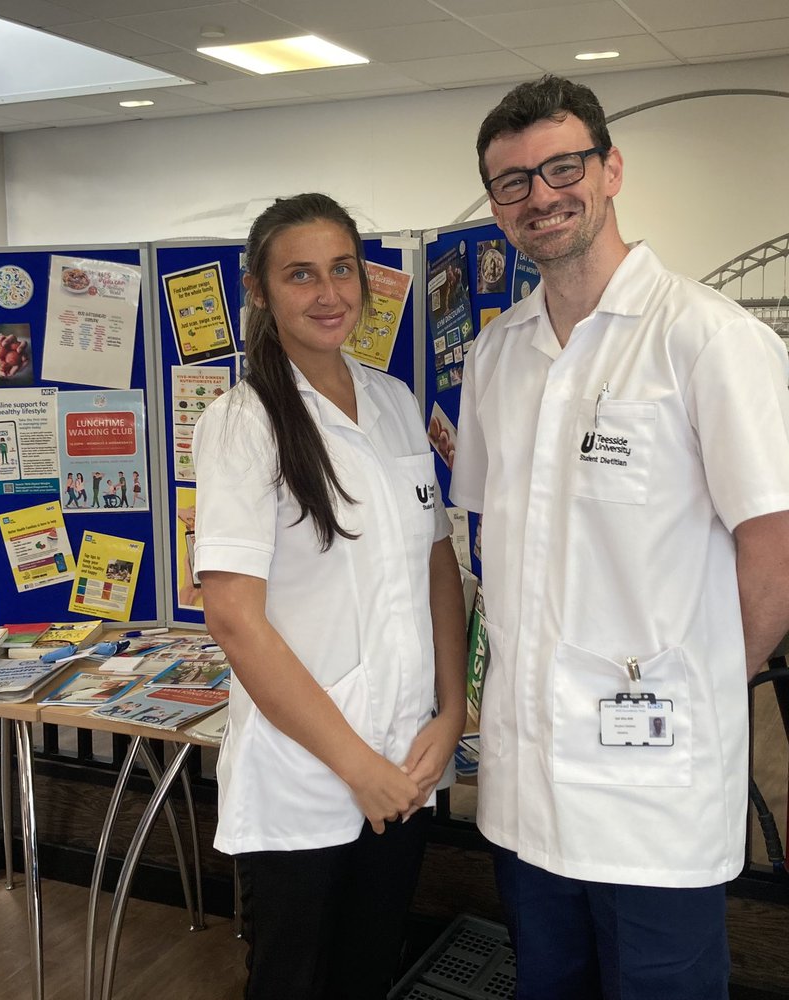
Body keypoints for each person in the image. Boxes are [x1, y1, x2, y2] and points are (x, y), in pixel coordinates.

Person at [450, 75, 789, 1000]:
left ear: (611, 169)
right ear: (496, 204)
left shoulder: (708, 340)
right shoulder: (496, 355)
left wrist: (703, 680)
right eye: (512, 181)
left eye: (563, 167)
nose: (540, 195)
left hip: (653, 790)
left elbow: (777, 548)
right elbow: (490, 538)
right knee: (547, 984)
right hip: (526, 788)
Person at [193, 192, 467, 1000]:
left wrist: (449, 715)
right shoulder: (245, 423)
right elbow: (233, 619)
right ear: (260, 290)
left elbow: (437, 567)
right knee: (292, 981)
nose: (328, 293)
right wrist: (357, 766)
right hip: (311, 777)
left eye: (342, 269)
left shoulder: (393, 402)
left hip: (406, 762)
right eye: (301, 274)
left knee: (368, 971)